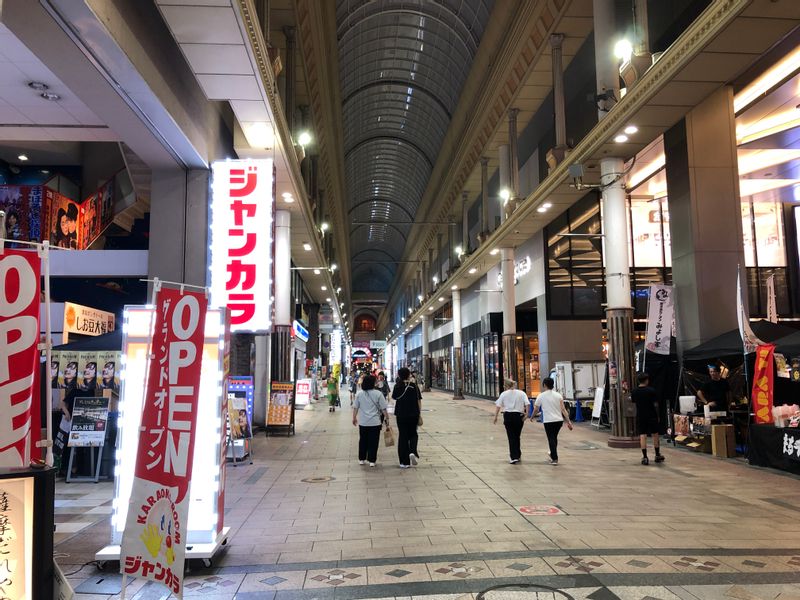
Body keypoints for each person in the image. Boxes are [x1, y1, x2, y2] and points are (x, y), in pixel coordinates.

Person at [532, 377, 572, 465]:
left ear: (544, 385)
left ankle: (554, 458)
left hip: (548, 421)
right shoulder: (558, 395)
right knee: (554, 438)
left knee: (551, 438)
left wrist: (531, 417)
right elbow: (563, 409)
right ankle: (552, 453)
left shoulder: (541, 396)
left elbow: (535, 409)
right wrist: (568, 421)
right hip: (558, 421)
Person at [352, 374, 389, 467]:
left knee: (363, 440)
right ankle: (372, 460)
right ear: (373, 383)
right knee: (374, 441)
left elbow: (355, 407)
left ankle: (361, 459)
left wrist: (354, 418)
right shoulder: (378, 394)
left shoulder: (359, 394)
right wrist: (387, 418)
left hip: (363, 422)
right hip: (375, 422)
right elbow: (383, 408)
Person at [493, 378, 530, 464]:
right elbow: (527, 404)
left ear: (506, 386)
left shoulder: (503, 394)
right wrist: (526, 414)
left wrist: (496, 417)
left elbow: (498, 406)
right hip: (519, 416)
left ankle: (513, 457)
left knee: (511, 436)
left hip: (508, 415)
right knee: (517, 435)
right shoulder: (521, 393)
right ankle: (518, 454)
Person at [392, 367, 422, 468]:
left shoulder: (397, 386)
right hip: (413, 414)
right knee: (413, 434)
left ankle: (403, 462)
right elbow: (418, 401)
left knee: (403, 436)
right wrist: (419, 413)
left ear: (399, 375)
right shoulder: (414, 386)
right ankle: (412, 451)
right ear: (409, 374)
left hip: (401, 414)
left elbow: (394, 397)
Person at [632, 372, 663, 465]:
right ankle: (657, 455)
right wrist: (657, 415)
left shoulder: (634, 391)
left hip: (641, 415)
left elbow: (634, 402)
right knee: (655, 434)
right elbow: (656, 404)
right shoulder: (651, 391)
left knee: (642, 435)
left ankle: (645, 457)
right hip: (652, 415)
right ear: (646, 380)